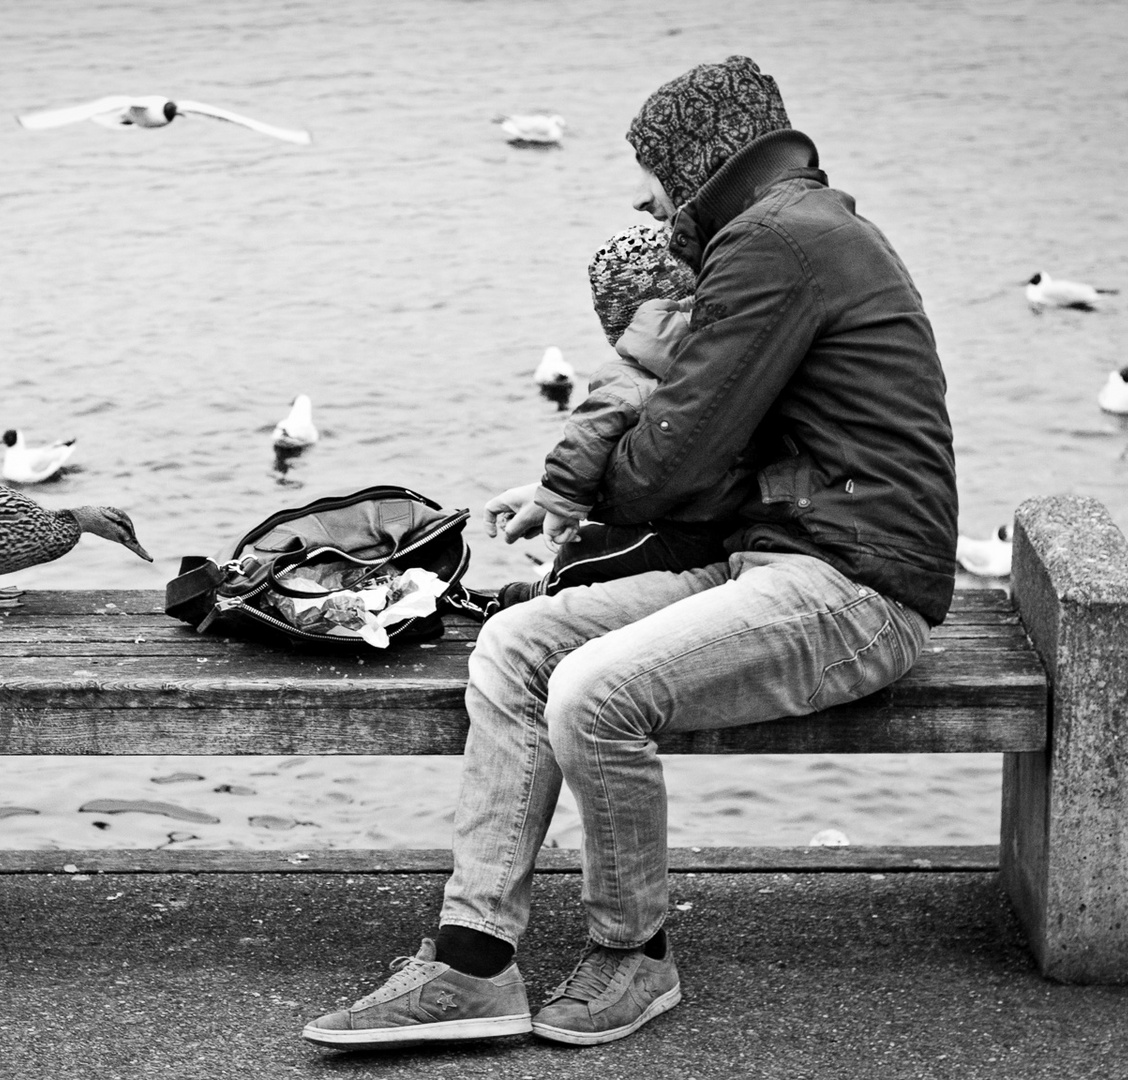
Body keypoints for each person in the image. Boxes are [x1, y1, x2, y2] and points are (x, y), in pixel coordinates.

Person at [303, 56, 958, 1050]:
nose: (646, 198)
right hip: (773, 560)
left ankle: (632, 957)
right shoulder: (788, 232)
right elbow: (691, 444)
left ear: (701, 164)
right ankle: (473, 964)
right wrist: (571, 491)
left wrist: (585, 492)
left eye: (653, 172)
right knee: (520, 646)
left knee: (593, 693)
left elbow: (672, 459)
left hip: (855, 588)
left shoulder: (776, 241)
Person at [486, 224, 736, 614]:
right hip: (727, 526)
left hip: (677, 532)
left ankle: (531, 596)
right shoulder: (729, 362)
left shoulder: (625, 380)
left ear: (618, 328)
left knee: (578, 554)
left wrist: (559, 499)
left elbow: (585, 436)